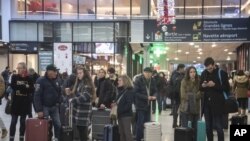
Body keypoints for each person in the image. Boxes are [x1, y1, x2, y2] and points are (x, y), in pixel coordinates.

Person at [199, 57, 230, 141]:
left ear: (214, 65)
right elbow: (200, 87)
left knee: (219, 127)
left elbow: (226, 88)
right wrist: (203, 86)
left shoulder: (221, 73)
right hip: (206, 105)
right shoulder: (204, 73)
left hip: (218, 104)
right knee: (208, 127)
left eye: (210, 68)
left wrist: (214, 85)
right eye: (207, 68)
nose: (209, 70)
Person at [66, 66, 95, 141]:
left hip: (84, 111)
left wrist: (73, 100)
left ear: (85, 73)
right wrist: (71, 94)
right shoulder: (80, 82)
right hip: (79, 111)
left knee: (83, 133)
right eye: (78, 73)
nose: (79, 75)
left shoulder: (87, 83)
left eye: (80, 73)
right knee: (81, 131)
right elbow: (78, 95)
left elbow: (85, 96)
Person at [34, 64, 62, 141]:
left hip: (54, 107)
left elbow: (60, 93)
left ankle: (57, 139)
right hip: (44, 107)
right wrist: (39, 110)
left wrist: (58, 102)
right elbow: (36, 96)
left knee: (58, 125)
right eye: (54, 71)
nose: (56, 73)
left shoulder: (58, 80)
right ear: (49, 72)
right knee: (46, 126)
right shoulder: (40, 81)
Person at [9, 62, 33, 141]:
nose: (18, 69)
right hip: (15, 103)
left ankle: (21, 137)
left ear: (24, 69)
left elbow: (31, 90)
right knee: (13, 122)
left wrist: (21, 87)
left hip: (24, 104)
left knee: (23, 122)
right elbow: (13, 86)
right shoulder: (14, 77)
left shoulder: (29, 78)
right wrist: (25, 87)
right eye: (18, 68)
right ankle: (11, 138)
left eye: (20, 68)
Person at [134, 67, 157, 141]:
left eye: (150, 73)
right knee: (140, 124)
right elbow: (136, 93)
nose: (148, 74)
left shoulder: (152, 80)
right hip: (140, 105)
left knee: (147, 123)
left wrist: (155, 96)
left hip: (148, 105)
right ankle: (138, 138)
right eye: (146, 72)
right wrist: (146, 97)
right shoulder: (138, 80)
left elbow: (155, 90)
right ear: (143, 73)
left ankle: (146, 137)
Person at [179, 66, 201, 140]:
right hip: (186, 108)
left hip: (196, 108)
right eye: (191, 72)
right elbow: (183, 95)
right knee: (186, 128)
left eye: (194, 72)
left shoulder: (198, 81)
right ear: (188, 73)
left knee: (195, 128)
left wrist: (191, 95)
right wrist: (195, 95)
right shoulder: (184, 81)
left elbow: (201, 93)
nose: (193, 74)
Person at [113, 75, 134, 141]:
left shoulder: (129, 91)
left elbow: (128, 105)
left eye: (120, 80)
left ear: (125, 81)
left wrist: (119, 111)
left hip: (126, 116)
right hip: (121, 115)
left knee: (127, 133)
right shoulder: (121, 90)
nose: (118, 82)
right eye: (118, 80)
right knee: (121, 133)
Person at [169, 64, 185, 128]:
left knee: (181, 110)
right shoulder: (175, 75)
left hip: (180, 95)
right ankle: (175, 123)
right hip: (176, 95)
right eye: (183, 69)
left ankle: (181, 123)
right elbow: (175, 84)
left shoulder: (181, 75)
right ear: (180, 68)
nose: (184, 70)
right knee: (176, 110)